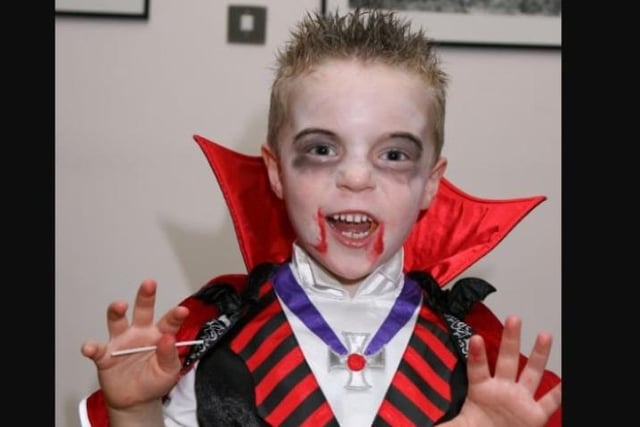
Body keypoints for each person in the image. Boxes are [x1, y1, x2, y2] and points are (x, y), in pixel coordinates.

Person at [79, 8, 561, 427]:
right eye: (322, 149)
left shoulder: (473, 353)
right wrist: (132, 412)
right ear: (276, 172)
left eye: (393, 154)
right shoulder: (215, 334)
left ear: (431, 184)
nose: (355, 177)